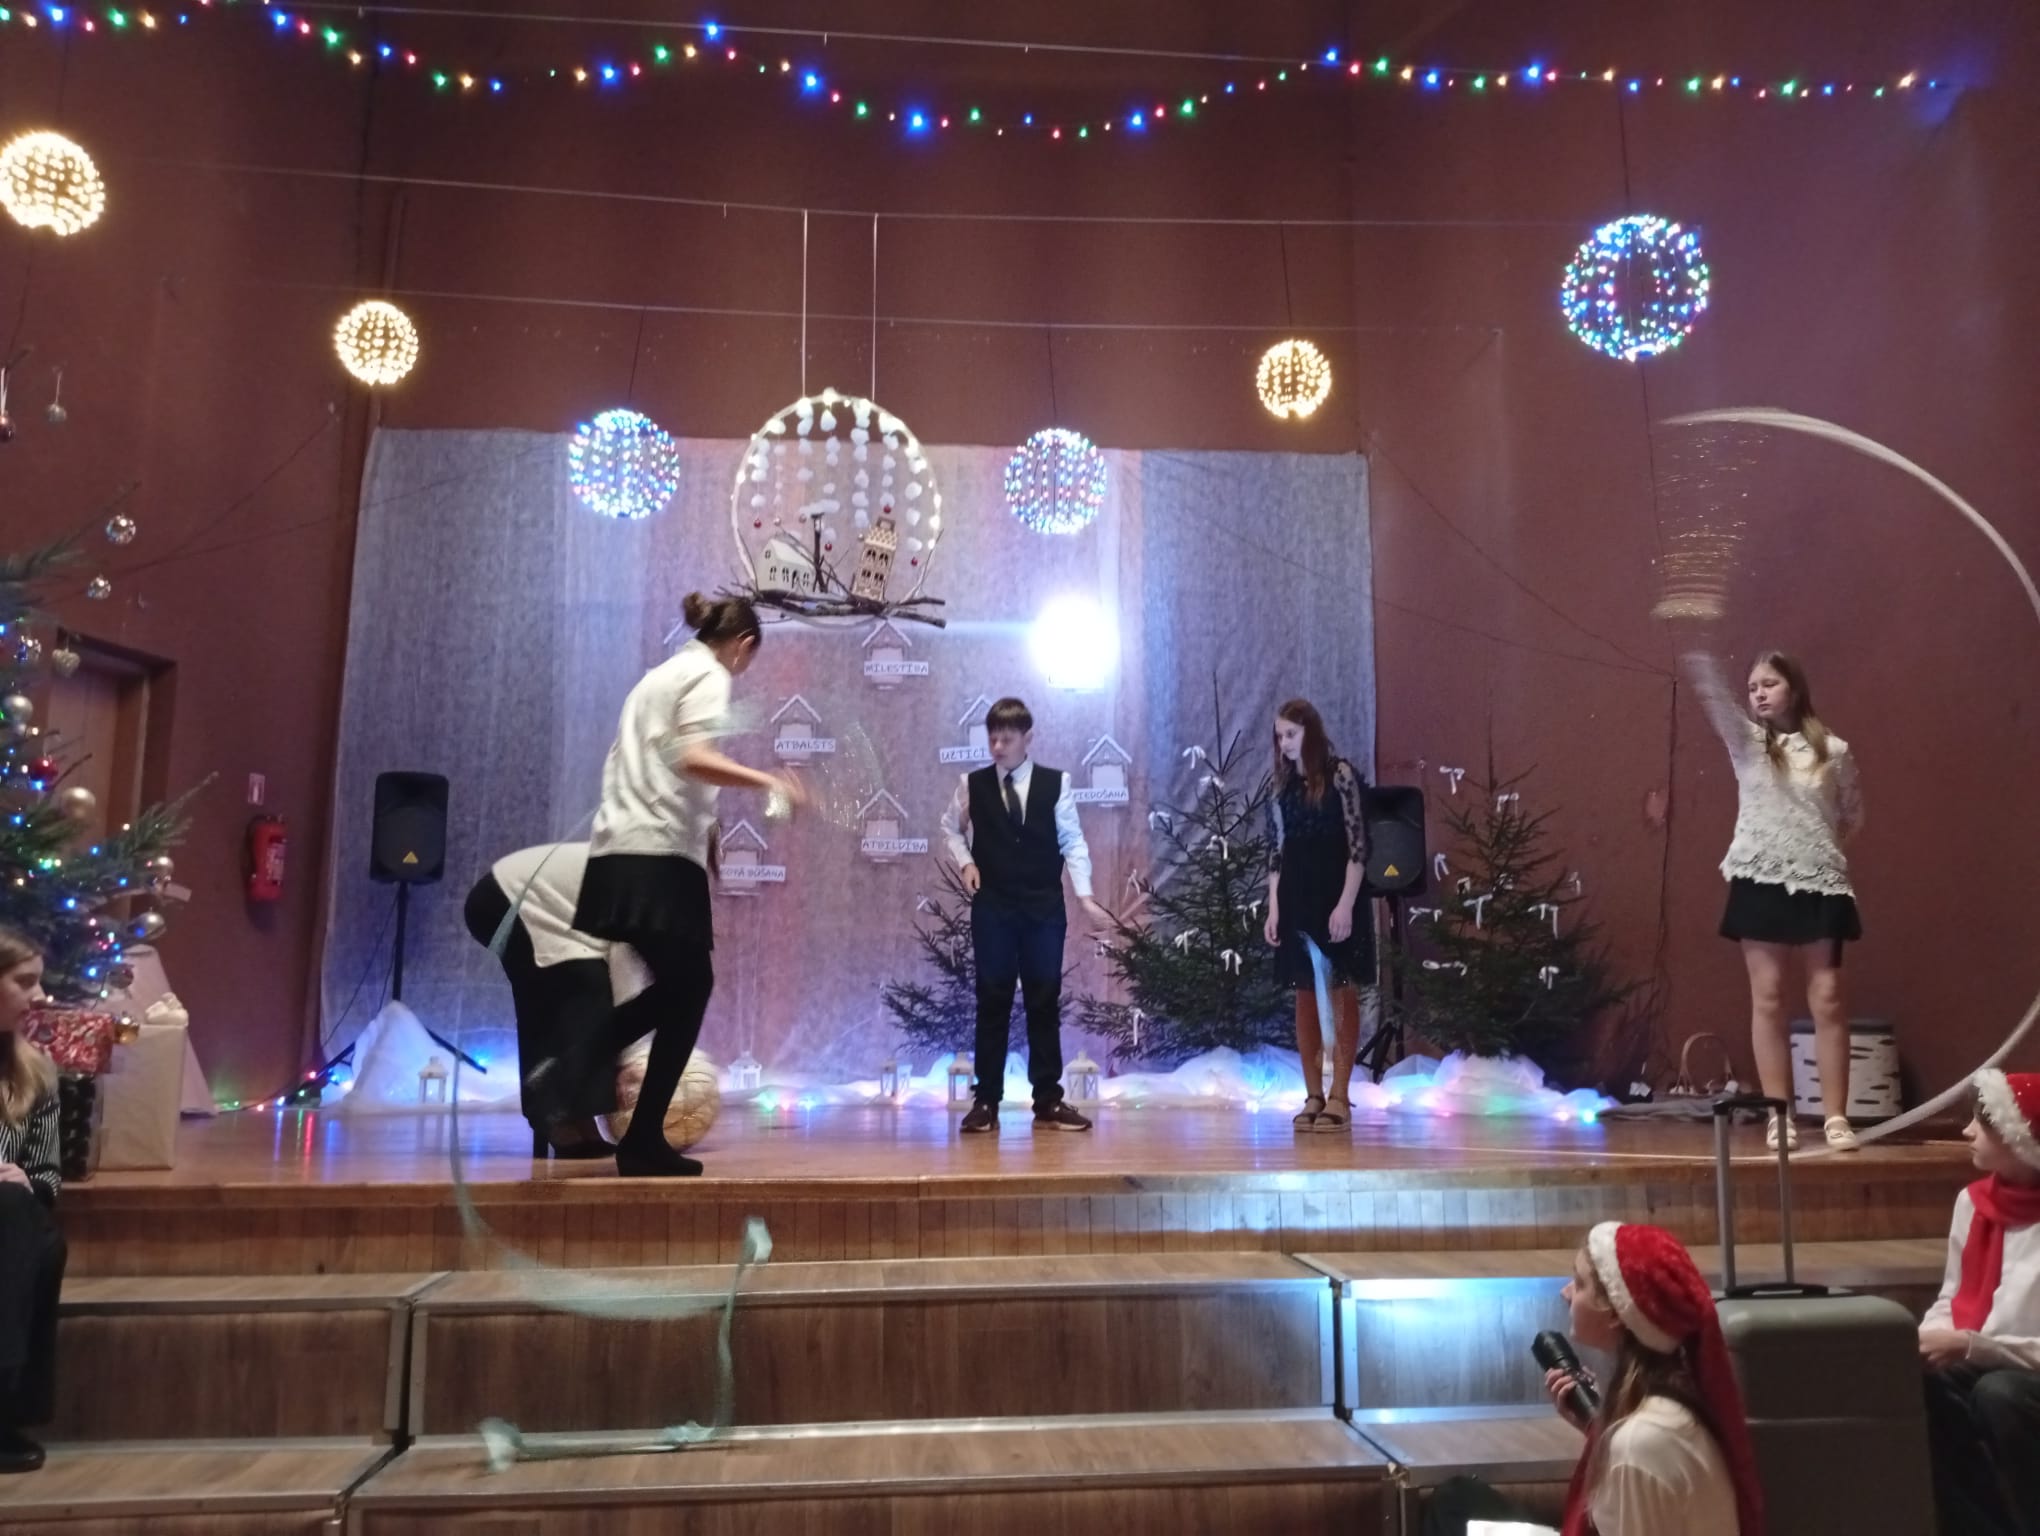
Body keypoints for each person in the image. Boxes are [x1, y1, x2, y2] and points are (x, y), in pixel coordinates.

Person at [574, 593, 803, 1177]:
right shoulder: (709, 674)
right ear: (743, 645)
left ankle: (584, 1056)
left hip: (618, 853)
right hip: (656, 858)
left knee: (681, 987)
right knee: (691, 985)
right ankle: (637, 1130)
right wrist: (769, 781)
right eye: (748, 659)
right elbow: (692, 756)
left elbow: (653, 767)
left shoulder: (655, 679)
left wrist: (708, 833)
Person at [1426, 1223, 1763, 1536]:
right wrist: (1596, 1426)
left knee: (1453, 1510)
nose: (1566, 1292)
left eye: (1580, 1283)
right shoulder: (1669, 1408)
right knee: (1458, 1500)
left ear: (1616, 1312)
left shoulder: (1640, 1443)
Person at [1686, 651, 1864, 1152]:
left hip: (1820, 882)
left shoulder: (1834, 750)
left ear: (1794, 688)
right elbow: (1717, 703)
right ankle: (1777, 1114)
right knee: (1767, 996)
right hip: (1759, 879)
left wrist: (1815, 850)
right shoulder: (1747, 743)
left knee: (1828, 996)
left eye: (1769, 683)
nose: (1759, 693)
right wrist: (1700, 655)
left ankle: (1835, 1116)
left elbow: (1852, 813)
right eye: (1752, 687)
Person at [940, 696, 1110, 1134]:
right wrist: (966, 862)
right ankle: (986, 1101)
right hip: (993, 907)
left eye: (1007, 739)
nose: (997, 747)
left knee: (1043, 999)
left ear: (1027, 738)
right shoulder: (971, 785)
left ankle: (1048, 1100)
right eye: (992, 739)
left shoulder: (1057, 784)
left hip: (1043, 908)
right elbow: (950, 828)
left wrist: (1085, 896)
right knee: (992, 999)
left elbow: (1072, 841)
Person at [463, 841, 653, 1159]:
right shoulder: (647, 889)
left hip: (542, 910)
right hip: (503, 899)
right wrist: (629, 1061)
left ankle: (579, 1116)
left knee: (577, 983)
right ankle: (553, 1117)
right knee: (579, 983)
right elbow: (626, 974)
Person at [1919, 1069, 2040, 1536]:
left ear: (2017, 1139)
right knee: (1915, 1383)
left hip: (2018, 1369)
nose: (1967, 1131)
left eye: (1983, 1124)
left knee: (2000, 1393)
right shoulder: (1972, 1202)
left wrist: (1972, 1346)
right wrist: (1924, 1340)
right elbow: (1952, 1297)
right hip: (1985, 1357)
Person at [1261, 699, 1373, 1133]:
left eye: (1291, 734)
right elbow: (1276, 851)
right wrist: (1274, 907)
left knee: (1341, 991)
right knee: (1305, 993)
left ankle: (1340, 1095)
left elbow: (1358, 847)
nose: (1284, 743)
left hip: (1335, 894)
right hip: (1296, 896)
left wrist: (1346, 904)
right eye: (1279, 736)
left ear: (1311, 732)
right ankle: (1313, 1094)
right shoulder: (1280, 788)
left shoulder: (1340, 776)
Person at [0, 926, 62, 1474]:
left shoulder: (36, 1073)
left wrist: (24, 1179)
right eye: (24, 981)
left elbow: (49, 1176)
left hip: (9, 1216)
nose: (39, 996)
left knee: (20, 1216)